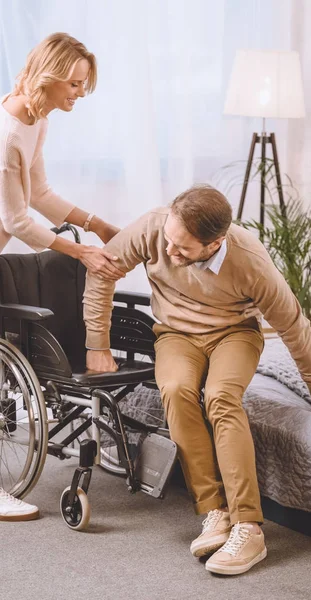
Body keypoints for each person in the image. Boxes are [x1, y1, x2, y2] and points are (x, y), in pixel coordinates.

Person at [83, 185, 311, 575]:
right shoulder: (156, 228)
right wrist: (97, 343)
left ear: (214, 243)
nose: (169, 253)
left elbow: (295, 329)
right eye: (169, 241)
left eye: (182, 249)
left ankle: (248, 526)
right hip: (175, 333)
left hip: (234, 333)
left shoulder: (250, 262)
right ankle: (213, 512)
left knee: (222, 398)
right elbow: (102, 269)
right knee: (175, 390)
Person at [0, 33, 125, 521]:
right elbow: (16, 221)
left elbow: (41, 194)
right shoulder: (10, 132)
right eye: (73, 84)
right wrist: (82, 252)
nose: (78, 93)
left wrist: (99, 225)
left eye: (83, 85)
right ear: (48, 79)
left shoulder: (37, 119)